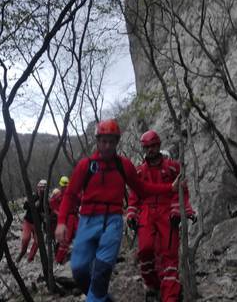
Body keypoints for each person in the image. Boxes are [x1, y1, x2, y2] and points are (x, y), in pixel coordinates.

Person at [55, 119, 182, 302]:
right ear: (98, 141)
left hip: (112, 223)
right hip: (87, 220)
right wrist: (61, 222)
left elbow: (142, 188)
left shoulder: (124, 165)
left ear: (116, 142)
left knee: (101, 271)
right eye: (103, 141)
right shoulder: (85, 165)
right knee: (79, 271)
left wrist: (169, 188)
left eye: (111, 142)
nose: (107, 146)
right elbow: (70, 195)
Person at [126, 130, 196, 302]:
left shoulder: (173, 167)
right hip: (146, 212)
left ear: (159, 145)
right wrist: (131, 214)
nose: (151, 150)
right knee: (145, 251)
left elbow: (182, 192)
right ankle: (153, 286)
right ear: (143, 148)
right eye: (147, 147)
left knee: (169, 256)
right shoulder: (139, 171)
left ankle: (170, 297)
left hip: (166, 213)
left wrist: (177, 211)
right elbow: (135, 195)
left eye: (153, 146)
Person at [50, 176, 79, 264]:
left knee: (81, 235)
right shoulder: (59, 195)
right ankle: (59, 260)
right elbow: (52, 204)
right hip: (68, 218)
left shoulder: (72, 193)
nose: (65, 187)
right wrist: (59, 213)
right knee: (66, 240)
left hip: (74, 217)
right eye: (64, 186)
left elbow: (80, 199)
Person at [17, 179, 47, 263]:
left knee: (38, 242)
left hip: (38, 224)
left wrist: (44, 215)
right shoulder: (33, 196)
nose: (42, 190)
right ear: (38, 188)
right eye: (41, 188)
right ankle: (22, 253)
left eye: (44, 188)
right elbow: (25, 206)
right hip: (28, 222)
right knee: (26, 238)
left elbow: (47, 212)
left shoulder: (46, 201)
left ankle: (30, 258)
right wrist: (33, 205)